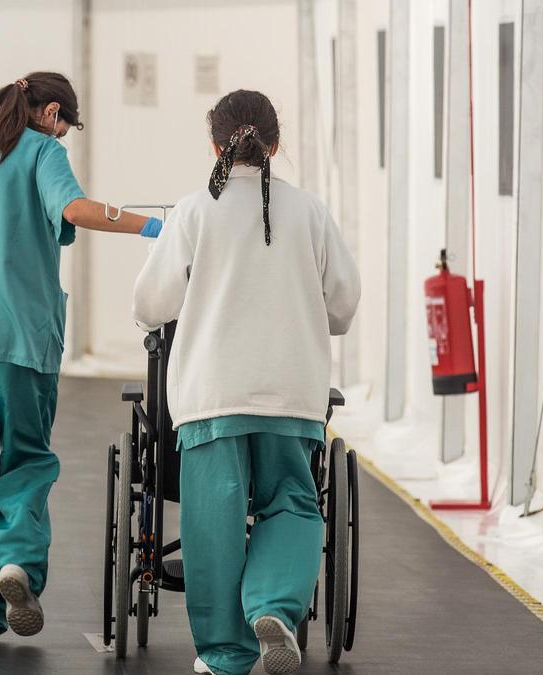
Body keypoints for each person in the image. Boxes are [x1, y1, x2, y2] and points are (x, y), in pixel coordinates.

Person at [0, 72, 160, 646]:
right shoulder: (43, 151)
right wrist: (152, 226)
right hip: (22, 341)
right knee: (24, 459)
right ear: (48, 112)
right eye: (65, 121)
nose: (65, 132)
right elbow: (73, 209)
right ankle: (14, 563)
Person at [132, 90, 360, 675]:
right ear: (275, 146)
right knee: (292, 502)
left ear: (215, 145)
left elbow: (151, 302)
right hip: (291, 390)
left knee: (213, 524)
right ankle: (274, 606)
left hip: (211, 394)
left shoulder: (192, 211)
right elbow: (342, 306)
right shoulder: (310, 211)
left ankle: (225, 655)